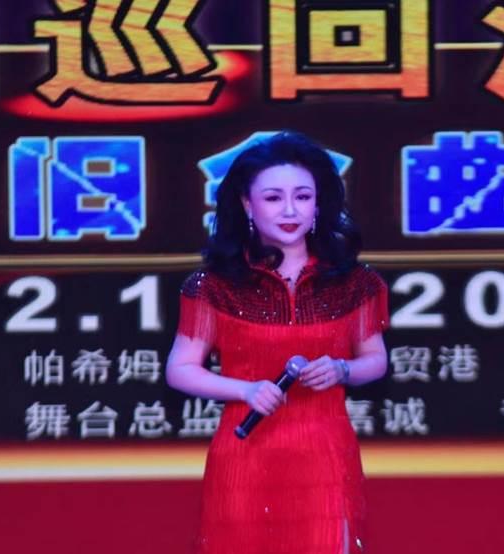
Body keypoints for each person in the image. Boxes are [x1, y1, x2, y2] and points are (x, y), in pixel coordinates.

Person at [166, 131, 388, 553]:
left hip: (324, 453)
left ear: (318, 203)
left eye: (302, 197)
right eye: (273, 198)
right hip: (246, 452)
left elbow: (375, 359)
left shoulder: (353, 281)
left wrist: (342, 369)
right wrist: (245, 390)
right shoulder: (215, 284)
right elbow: (180, 369)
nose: (290, 210)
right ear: (247, 204)